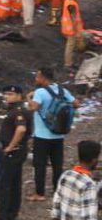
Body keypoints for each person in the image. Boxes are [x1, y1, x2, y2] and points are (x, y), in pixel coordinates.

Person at [28, 67, 77, 201]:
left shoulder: (40, 92)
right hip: (59, 135)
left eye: (37, 76)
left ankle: (40, 193)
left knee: (40, 165)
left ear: (44, 78)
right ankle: (57, 191)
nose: (36, 79)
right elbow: (76, 103)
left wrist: (29, 98)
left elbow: (34, 107)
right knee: (57, 165)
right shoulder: (62, 90)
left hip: (42, 136)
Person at [0, 85, 30, 220]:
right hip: (19, 151)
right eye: (5, 94)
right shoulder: (20, 110)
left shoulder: (18, 111)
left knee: (4, 184)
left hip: (12, 152)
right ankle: (11, 215)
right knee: (15, 184)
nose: (6, 96)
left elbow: (21, 129)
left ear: (19, 96)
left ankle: (1, 219)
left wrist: (9, 147)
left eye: (10, 94)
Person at [62, 0, 87, 70]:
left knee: (71, 46)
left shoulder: (68, 1)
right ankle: (68, 64)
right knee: (70, 46)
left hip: (68, 28)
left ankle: (70, 62)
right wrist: (77, 32)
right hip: (71, 29)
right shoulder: (72, 4)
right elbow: (73, 19)